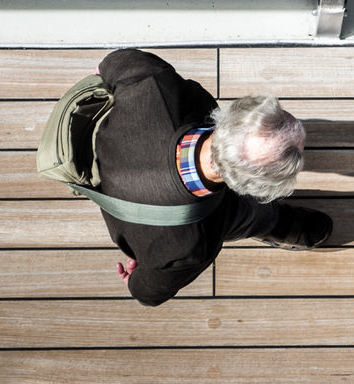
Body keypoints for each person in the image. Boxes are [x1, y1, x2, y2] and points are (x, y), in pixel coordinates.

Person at [92, 48, 331, 306]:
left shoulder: (156, 89)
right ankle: (273, 222)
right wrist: (137, 283)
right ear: (250, 187)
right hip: (196, 214)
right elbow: (145, 293)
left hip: (108, 166)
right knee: (245, 215)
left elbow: (119, 61)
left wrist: (104, 73)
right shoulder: (193, 242)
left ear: (232, 117)